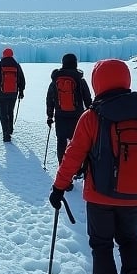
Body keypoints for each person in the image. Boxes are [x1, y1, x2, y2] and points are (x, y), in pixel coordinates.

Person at [49, 58, 137, 274]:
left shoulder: (92, 117)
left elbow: (73, 156)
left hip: (99, 196)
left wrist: (58, 187)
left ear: (98, 82)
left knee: (101, 246)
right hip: (134, 196)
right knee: (129, 240)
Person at [45, 53, 92, 190]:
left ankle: (64, 177)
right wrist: (90, 114)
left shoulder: (55, 80)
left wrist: (50, 116)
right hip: (77, 117)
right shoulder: (79, 79)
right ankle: (78, 170)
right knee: (77, 146)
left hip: (60, 117)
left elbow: (50, 99)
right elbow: (87, 99)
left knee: (61, 145)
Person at [0, 47, 25, 143]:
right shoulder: (16, 65)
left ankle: (6, 134)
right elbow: (22, 80)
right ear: (12, 55)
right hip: (13, 93)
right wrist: (21, 91)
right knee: (10, 111)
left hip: (1, 94)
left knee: (3, 113)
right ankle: (10, 129)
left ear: (3, 55)